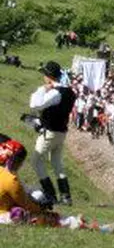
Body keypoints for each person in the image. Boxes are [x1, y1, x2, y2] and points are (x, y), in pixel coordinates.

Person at [27, 61, 76, 205]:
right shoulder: (69, 92)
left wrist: (42, 89)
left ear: (48, 76)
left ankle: (50, 194)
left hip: (50, 132)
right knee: (57, 163)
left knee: (36, 161)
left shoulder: (55, 92)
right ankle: (66, 196)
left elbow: (35, 104)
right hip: (61, 132)